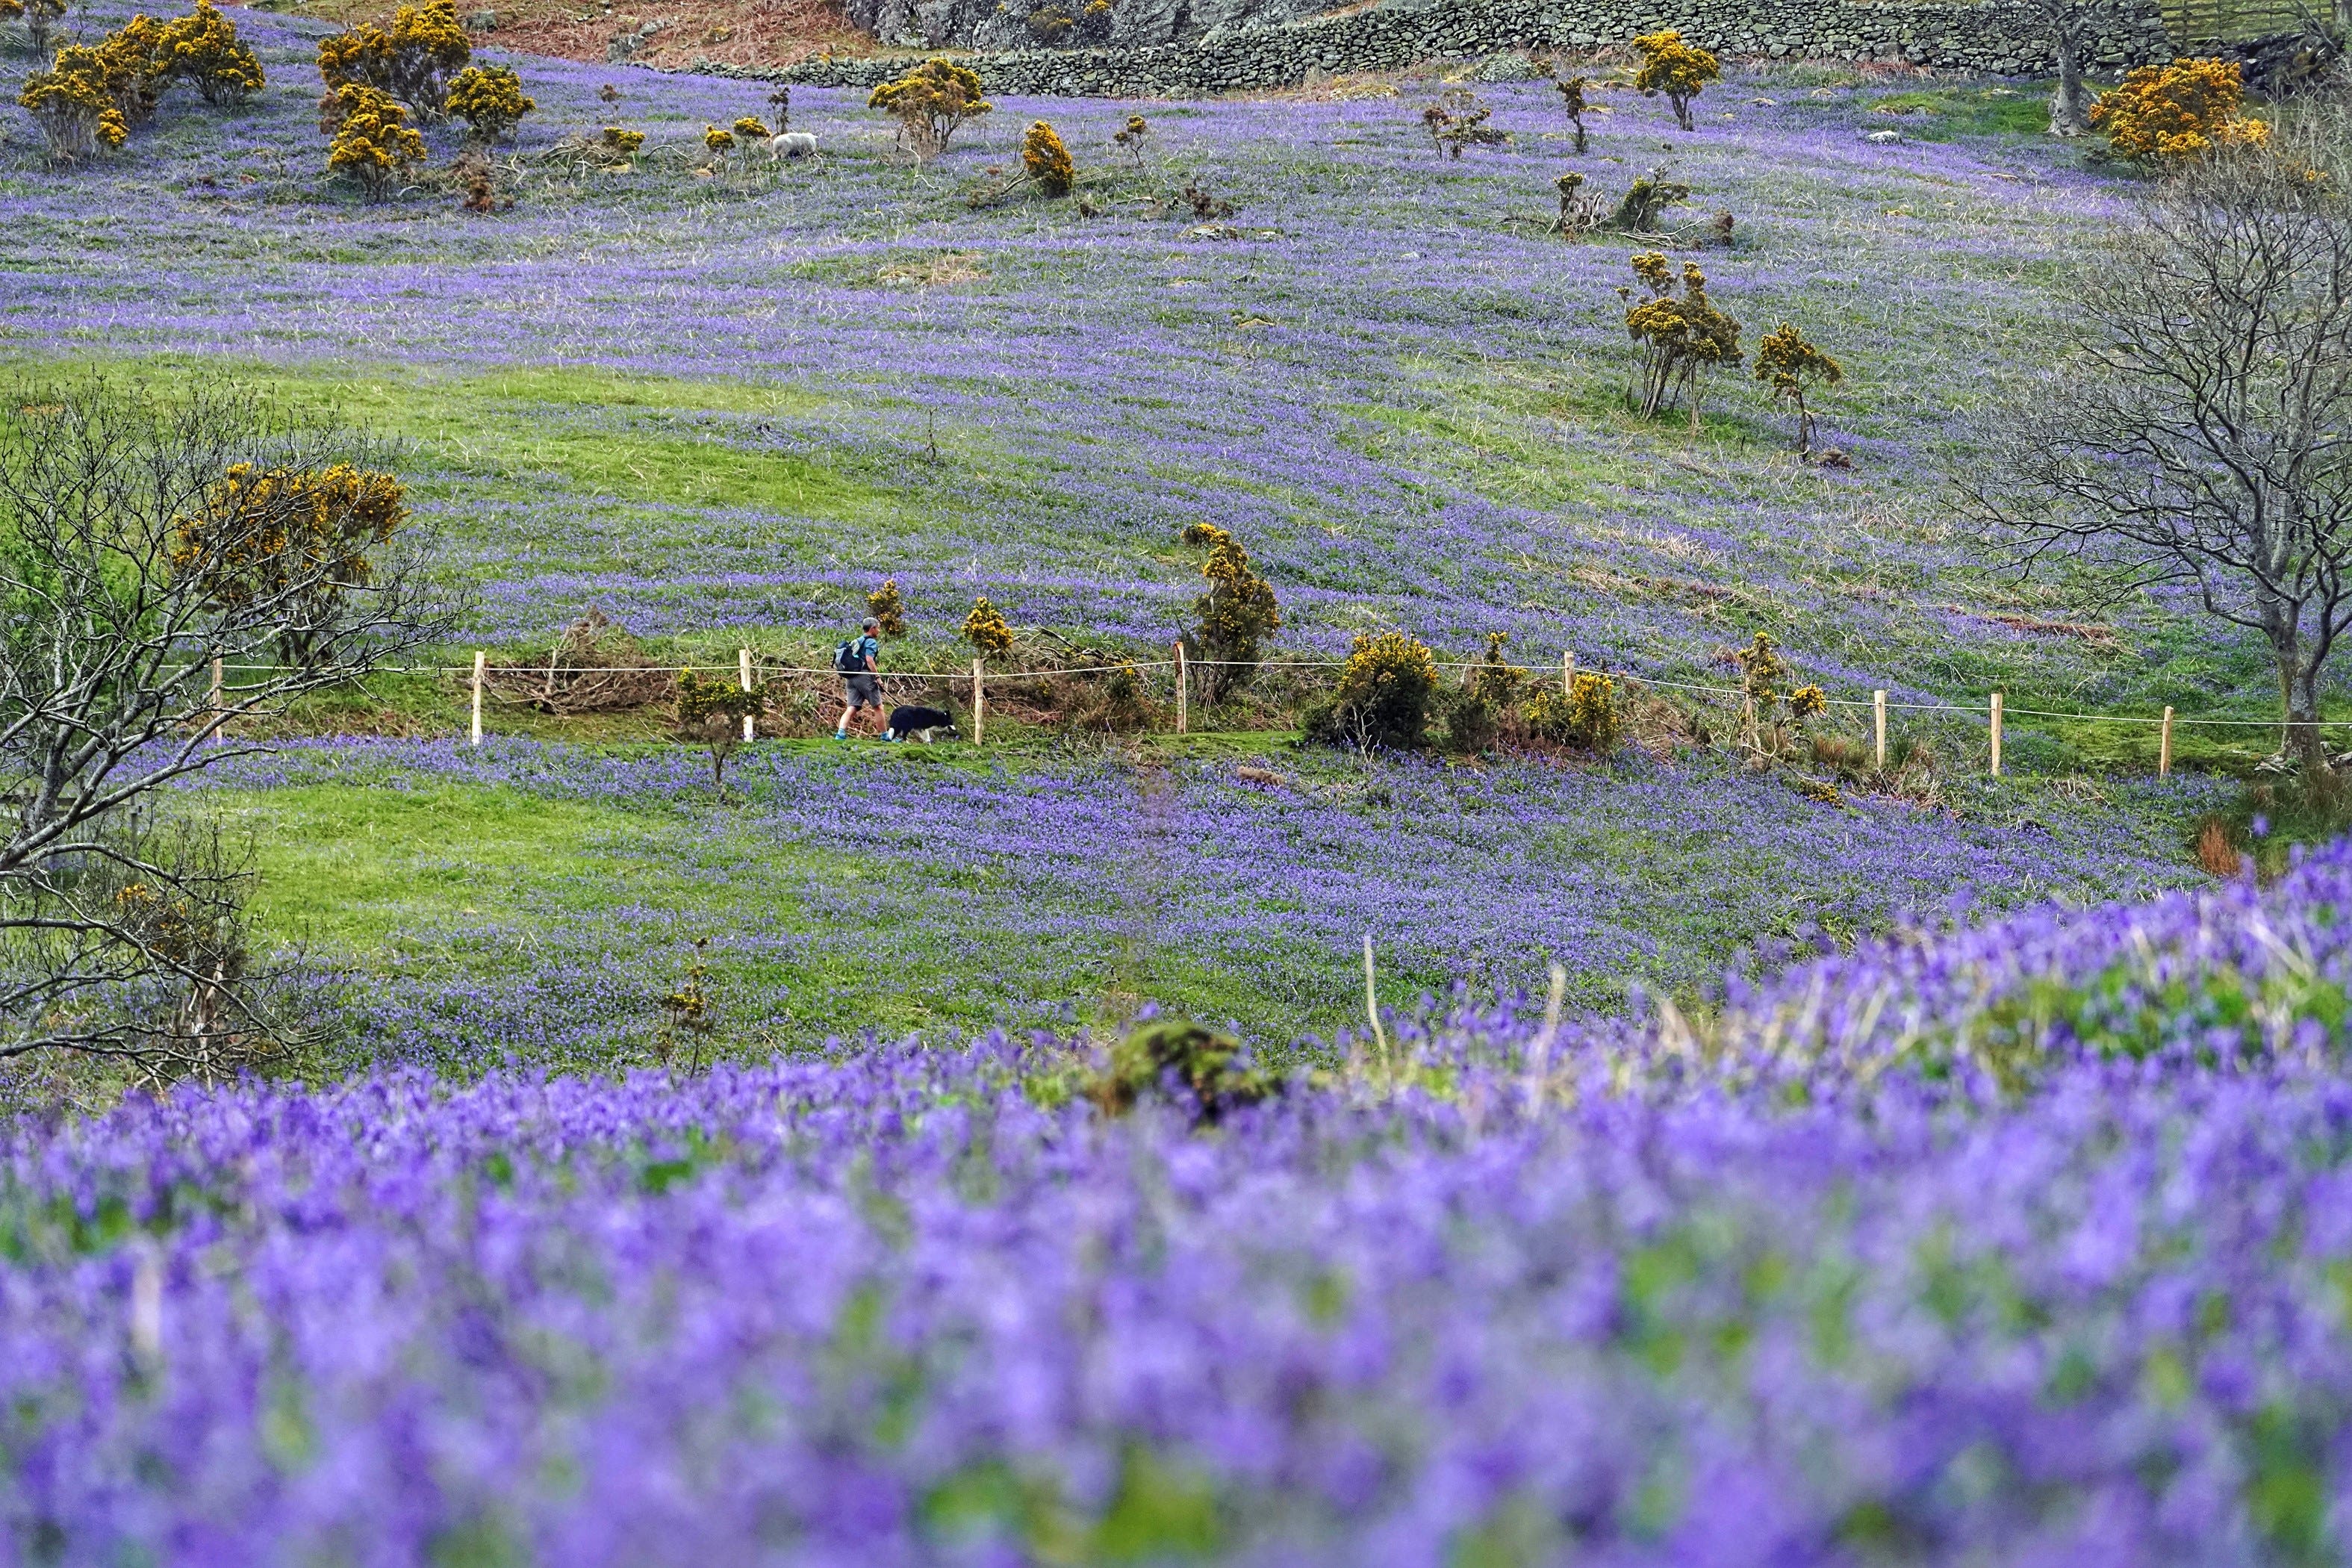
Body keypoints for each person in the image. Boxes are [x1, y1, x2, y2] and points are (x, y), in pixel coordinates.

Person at [834, 617, 883, 739]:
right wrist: (877, 677)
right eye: (878, 628)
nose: (879, 631)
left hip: (851, 677)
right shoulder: (871, 642)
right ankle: (885, 736)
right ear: (873, 629)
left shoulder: (857, 641)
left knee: (852, 707)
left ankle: (840, 734)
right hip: (864, 677)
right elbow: (869, 660)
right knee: (878, 706)